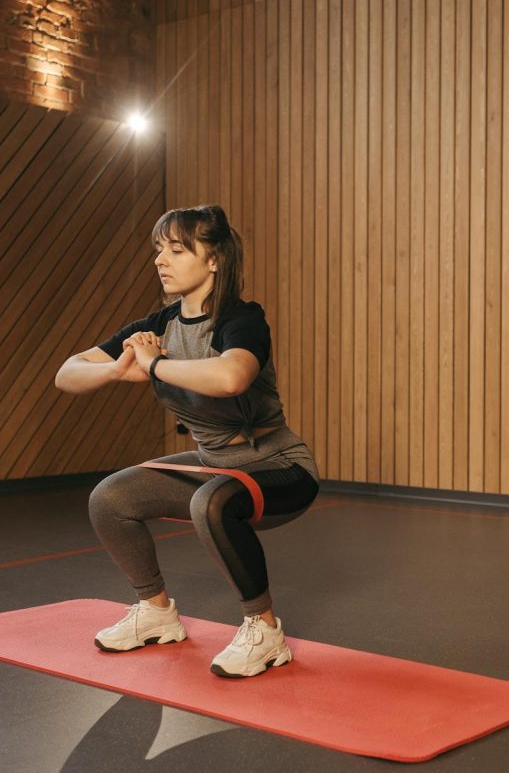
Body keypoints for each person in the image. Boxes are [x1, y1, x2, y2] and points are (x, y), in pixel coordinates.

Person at [54, 204, 319, 679]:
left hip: (278, 465)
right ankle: (155, 612)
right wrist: (115, 369)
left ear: (213, 258)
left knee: (209, 502)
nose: (161, 260)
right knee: (111, 497)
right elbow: (66, 373)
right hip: (214, 461)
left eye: (176, 249)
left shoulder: (242, 318)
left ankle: (265, 630)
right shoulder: (158, 326)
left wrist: (153, 365)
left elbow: (232, 376)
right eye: (159, 250)